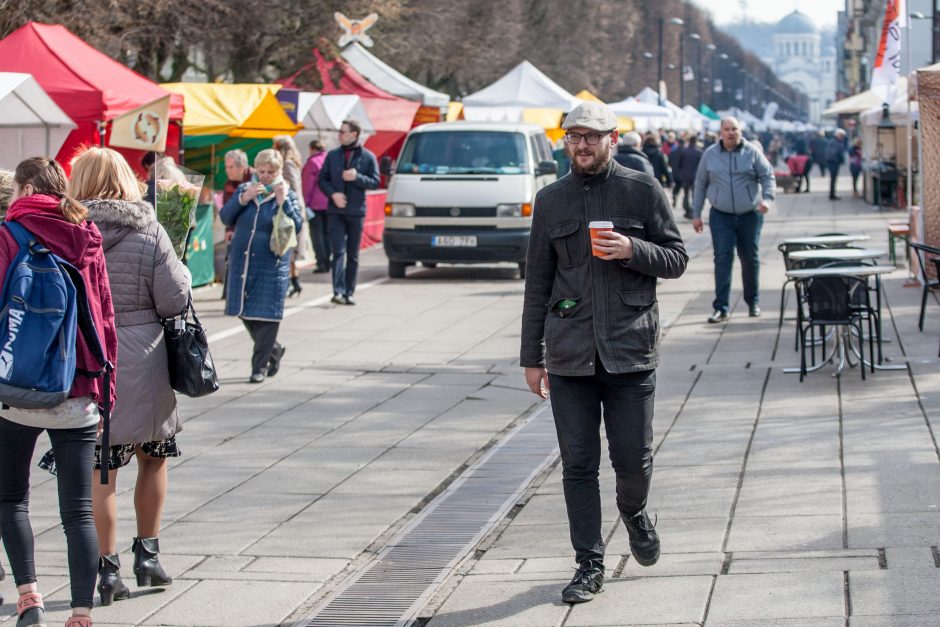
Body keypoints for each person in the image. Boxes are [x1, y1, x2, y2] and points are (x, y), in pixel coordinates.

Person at [520, 101, 688, 605]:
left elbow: (677, 258)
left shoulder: (640, 188)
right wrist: (532, 356)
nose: (582, 145)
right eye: (574, 137)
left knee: (632, 462)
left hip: (629, 350)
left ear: (613, 138)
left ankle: (634, 514)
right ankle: (588, 564)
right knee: (578, 465)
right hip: (570, 352)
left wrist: (633, 251)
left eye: (591, 136)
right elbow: (537, 283)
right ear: (565, 141)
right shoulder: (551, 200)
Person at [69, 147, 191, 607]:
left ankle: (106, 568)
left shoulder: (70, 232)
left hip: (88, 354)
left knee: (101, 469)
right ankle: (149, 554)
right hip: (143, 355)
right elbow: (173, 300)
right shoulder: (150, 229)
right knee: (153, 456)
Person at [0, 157, 118, 627]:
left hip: (19, 389)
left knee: (11, 498)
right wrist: (107, 389)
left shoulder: (9, 235)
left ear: (26, 187)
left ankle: (30, 598)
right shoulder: (88, 235)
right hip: (80, 387)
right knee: (78, 511)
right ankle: (82, 614)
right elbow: (104, 316)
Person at [221, 149, 302, 383]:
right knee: (242, 310)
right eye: (262, 171)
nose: (265, 176)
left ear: (278, 172)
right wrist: (243, 199)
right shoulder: (244, 190)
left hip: (271, 262)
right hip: (243, 261)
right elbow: (226, 217)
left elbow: (296, 225)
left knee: (267, 316)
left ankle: (259, 367)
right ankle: (273, 349)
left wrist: (282, 200)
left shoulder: (287, 194)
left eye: (271, 172)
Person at [692, 117, 775, 323]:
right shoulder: (710, 155)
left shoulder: (753, 152)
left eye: (735, 129)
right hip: (721, 215)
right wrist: (696, 214)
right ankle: (721, 307)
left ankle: (752, 301)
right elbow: (700, 184)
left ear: (741, 131)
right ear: (720, 132)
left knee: (750, 258)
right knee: (722, 258)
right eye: (727, 129)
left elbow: (767, 176)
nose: (731, 133)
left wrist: (768, 199)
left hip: (750, 214)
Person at [317, 119, 380, 305]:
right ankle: (337, 291)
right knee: (338, 252)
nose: (339, 135)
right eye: (339, 131)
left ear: (354, 134)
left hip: (356, 211)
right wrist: (333, 194)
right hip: (336, 211)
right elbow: (322, 180)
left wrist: (356, 177)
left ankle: (349, 292)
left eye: (343, 132)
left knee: (353, 254)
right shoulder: (332, 156)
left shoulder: (368, 156)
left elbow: (375, 181)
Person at [273, 135, 308, 297]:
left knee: (287, 247)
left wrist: (282, 189)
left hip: (291, 209)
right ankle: (295, 282)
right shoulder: (292, 162)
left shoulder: (288, 164)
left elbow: (292, 186)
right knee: (290, 249)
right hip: (293, 207)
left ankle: (288, 283)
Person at [302, 139, 331, 274]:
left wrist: (305, 202)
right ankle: (329, 261)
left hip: (315, 204)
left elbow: (308, 185)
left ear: (313, 148)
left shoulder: (312, 162)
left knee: (316, 234)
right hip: (330, 202)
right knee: (327, 234)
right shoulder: (330, 159)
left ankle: (321, 262)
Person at [676, 136, 703, 219]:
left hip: (685, 176)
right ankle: (694, 212)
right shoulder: (699, 152)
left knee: (686, 194)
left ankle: (687, 211)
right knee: (695, 195)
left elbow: (679, 164)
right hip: (695, 177)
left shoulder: (684, 151)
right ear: (696, 142)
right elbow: (701, 166)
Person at [826, 129, 847, 200]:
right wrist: (838, 160)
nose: (843, 137)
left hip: (834, 162)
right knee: (833, 179)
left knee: (833, 179)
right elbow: (834, 153)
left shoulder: (835, 141)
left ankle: (832, 194)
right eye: (842, 136)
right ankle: (832, 195)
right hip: (834, 163)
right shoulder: (835, 142)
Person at [668, 136, 685, 208]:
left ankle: (674, 195)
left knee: (676, 187)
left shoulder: (673, 152)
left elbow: (669, 162)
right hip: (683, 173)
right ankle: (677, 197)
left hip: (674, 172)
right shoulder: (685, 152)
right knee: (683, 188)